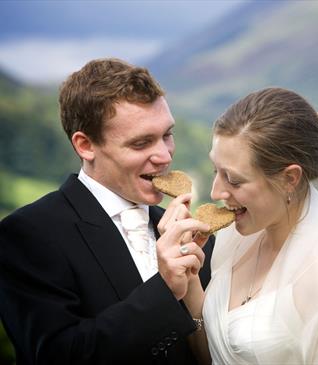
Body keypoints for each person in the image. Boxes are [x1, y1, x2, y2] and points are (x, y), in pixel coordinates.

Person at [0, 58, 214, 365]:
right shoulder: (28, 234)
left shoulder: (190, 239)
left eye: (167, 135)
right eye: (142, 143)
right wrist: (164, 288)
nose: (165, 155)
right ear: (86, 145)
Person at [176, 87, 318, 364]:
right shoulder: (234, 237)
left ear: (289, 178)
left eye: (233, 180)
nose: (215, 192)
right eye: (215, 171)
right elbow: (211, 353)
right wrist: (188, 281)